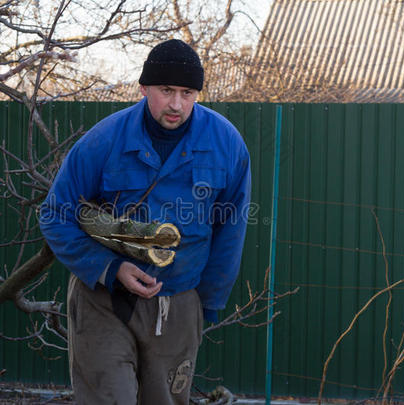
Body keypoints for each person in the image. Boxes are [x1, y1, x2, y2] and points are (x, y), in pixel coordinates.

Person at [39, 39, 251, 405]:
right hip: (104, 299)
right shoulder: (105, 140)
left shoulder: (226, 144)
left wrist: (205, 307)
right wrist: (110, 268)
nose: (176, 104)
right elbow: (54, 214)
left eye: (187, 92)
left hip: (180, 301)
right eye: (166, 90)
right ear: (144, 88)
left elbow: (230, 230)